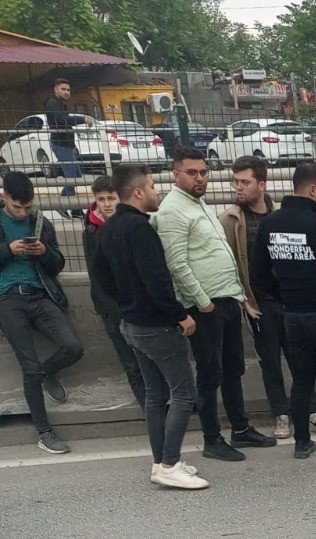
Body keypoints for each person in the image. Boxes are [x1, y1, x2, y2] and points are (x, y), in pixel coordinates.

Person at [153, 146, 276, 462]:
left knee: (233, 369)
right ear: (176, 174)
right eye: (192, 173)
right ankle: (212, 438)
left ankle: (240, 428)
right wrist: (203, 302)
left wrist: (238, 295)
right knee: (209, 374)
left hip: (227, 300)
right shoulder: (172, 211)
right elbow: (176, 263)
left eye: (203, 172)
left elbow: (217, 253)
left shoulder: (200, 204)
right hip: (205, 306)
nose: (200, 178)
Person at [90, 164, 206, 490]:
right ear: (139, 192)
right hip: (157, 326)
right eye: (153, 186)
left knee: (155, 394)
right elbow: (157, 281)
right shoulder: (141, 229)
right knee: (183, 393)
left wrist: (126, 305)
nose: (157, 192)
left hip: (132, 324)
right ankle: (169, 464)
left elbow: (100, 277)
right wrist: (180, 315)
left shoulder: (109, 229)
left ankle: (161, 461)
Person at [250, 161, 316, 472]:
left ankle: (301, 442)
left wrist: (284, 296)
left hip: (293, 316)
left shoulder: (269, 226)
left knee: (301, 382)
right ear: (312, 190)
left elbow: (258, 276)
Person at [222, 155, 316, 440]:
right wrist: (243, 300)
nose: (239, 187)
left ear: (261, 184)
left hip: (291, 299)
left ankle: (312, 411)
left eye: (245, 182)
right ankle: (281, 414)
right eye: (236, 182)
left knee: (301, 358)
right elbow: (228, 263)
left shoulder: (281, 214)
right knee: (270, 362)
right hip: (259, 303)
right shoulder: (231, 220)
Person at [0, 170, 83, 453]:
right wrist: (9, 250)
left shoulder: (40, 222)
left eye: (28, 206)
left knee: (73, 347)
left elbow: (58, 264)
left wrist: (44, 252)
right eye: (17, 207)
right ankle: (44, 432)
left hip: (41, 295)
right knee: (29, 367)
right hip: (8, 299)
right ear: (5, 197)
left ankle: (48, 372)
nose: (23, 213)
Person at [81, 175, 146, 409]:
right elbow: (96, 273)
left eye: (111, 198)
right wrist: (111, 309)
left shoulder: (129, 223)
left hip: (137, 302)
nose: (106, 204)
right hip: (112, 306)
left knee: (150, 359)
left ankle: (165, 406)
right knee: (131, 364)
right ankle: (151, 412)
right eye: (101, 199)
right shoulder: (91, 230)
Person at [45, 78, 83, 199]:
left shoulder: (60, 104)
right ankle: (66, 203)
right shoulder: (53, 103)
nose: (66, 92)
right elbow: (61, 120)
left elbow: (63, 122)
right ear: (55, 90)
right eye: (63, 89)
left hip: (67, 144)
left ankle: (67, 202)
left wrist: (73, 146)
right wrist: (82, 119)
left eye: (68, 90)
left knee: (76, 176)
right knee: (72, 177)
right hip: (61, 144)